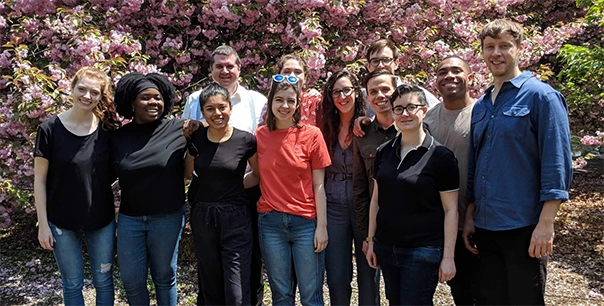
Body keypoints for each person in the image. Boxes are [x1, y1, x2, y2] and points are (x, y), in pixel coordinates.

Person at [463, 19, 572, 306]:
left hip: (524, 224)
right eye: (489, 47)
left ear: (519, 49)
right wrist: (471, 216)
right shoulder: (483, 104)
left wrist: (546, 224)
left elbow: (557, 163)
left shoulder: (542, 97)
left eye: (504, 46)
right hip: (486, 225)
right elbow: (475, 164)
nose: (496, 53)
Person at [182, 45, 267, 306]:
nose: (225, 70)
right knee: (209, 272)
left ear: (239, 68)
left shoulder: (257, 100)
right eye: (219, 66)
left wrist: (234, 185)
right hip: (205, 200)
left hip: (242, 198)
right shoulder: (194, 99)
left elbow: (262, 153)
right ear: (210, 70)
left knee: (245, 267)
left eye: (230, 65)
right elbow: (188, 145)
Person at [365, 84, 459, 305]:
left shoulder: (441, 157)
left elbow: (451, 210)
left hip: (422, 251)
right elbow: (376, 200)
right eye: (398, 108)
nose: (404, 113)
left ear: (424, 110)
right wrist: (371, 240)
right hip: (387, 248)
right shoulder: (384, 152)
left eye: (411, 107)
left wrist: (448, 257)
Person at [34, 66, 120, 306]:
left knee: (103, 279)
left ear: (101, 97)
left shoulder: (107, 130)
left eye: (94, 92)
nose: (87, 96)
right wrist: (43, 224)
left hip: (100, 218)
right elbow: (39, 180)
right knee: (71, 283)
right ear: (71, 89)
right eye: (82, 89)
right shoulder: (49, 130)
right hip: (61, 220)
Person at [253, 75, 331, 306]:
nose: (284, 106)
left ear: (298, 104)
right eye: (279, 100)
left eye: (290, 101)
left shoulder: (312, 135)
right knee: (281, 295)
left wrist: (322, 228)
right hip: (270, 223)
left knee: (311, 295)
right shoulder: (259, 136)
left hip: (305, 224)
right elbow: (255, 176)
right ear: (270, 102)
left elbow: (319, 185)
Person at [111, 72, 188, 306]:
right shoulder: (118, 137)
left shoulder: (179, 129)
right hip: (130, 220)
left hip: (168, 217)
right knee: (132, 281)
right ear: (131, 102)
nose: (153, 102)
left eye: (158, 97)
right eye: (145, 97)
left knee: (165, 277)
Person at [424, 56, 485, 305]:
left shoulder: (482, 114)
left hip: (475, 222)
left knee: (476, 293)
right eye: (442, 72)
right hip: (436, 224)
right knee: (455, 290)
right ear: (436, 82)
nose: (449, 76)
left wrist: (471, 213)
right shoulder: (428, 120)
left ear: (470, 78)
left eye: (456, 70)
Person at [316, 69, 379, 306]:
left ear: (357, 92)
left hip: (363, 206)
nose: (342, 96)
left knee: (369, 272)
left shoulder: (369, 126)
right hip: (333, 207)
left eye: (347, 90)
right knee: (337, 275)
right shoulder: (324, 129)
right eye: (336, 92)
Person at [352, 69, 398, 262]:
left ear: (396, 91)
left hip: (413, 227)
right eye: (374, 91)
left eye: (385, 89)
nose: (380, 95)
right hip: (378, 226)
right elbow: (360, 189)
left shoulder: (415, 130)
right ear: (368, 97)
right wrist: (366, 235)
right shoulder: (363, 135)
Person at [275, 53, 322, 126]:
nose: (292, 76)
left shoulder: (315, 102)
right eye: (287, 72)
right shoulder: (273, 103)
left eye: (298, 72)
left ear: (305, 78)